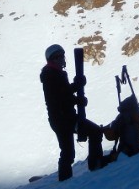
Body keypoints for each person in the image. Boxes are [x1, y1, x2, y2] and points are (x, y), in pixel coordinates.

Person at [40, 44, 106, 181]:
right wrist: (77, 97)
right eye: (59, 57)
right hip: (62, 119)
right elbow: (59, 98)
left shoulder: (56, 73)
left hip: (64, 118)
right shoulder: (50, 75)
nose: (62, 59)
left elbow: (63, 94)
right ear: (52, 59)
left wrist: (77, 93)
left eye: (62, 56)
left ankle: (89, 168)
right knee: (72, 149)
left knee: (69, 151)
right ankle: (95, 166)